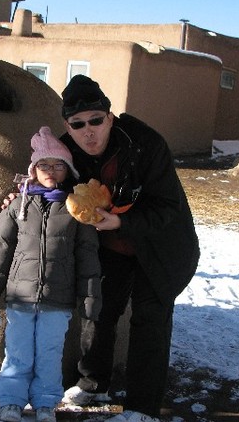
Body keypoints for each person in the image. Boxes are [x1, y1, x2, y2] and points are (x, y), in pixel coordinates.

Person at [58, 75, 200, 422]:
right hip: (112, 247)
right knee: (99, 309)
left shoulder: (145, 144)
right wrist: (20, 194)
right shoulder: (67, 149)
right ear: (68, 126)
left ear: (110, 117)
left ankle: (141, 408)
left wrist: (121, 222)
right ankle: (93, 383)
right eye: (78, 124)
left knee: (150, 320)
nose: (88, 131)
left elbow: (167, 206)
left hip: (161, 245)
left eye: (96, 120)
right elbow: (49, 182)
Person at [0, 126, 102, 422]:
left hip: (57, 299)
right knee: (18, 353)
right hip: (20, 296)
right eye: (44, 164)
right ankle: (11, 401)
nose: (51, 170)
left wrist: (90, 297)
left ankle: (46, 402)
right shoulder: (18, 206)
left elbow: (87, 256)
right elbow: (1, 249)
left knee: (48, 354)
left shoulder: (76, 209)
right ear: (33, 169)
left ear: (67, 170)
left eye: (58, 165)